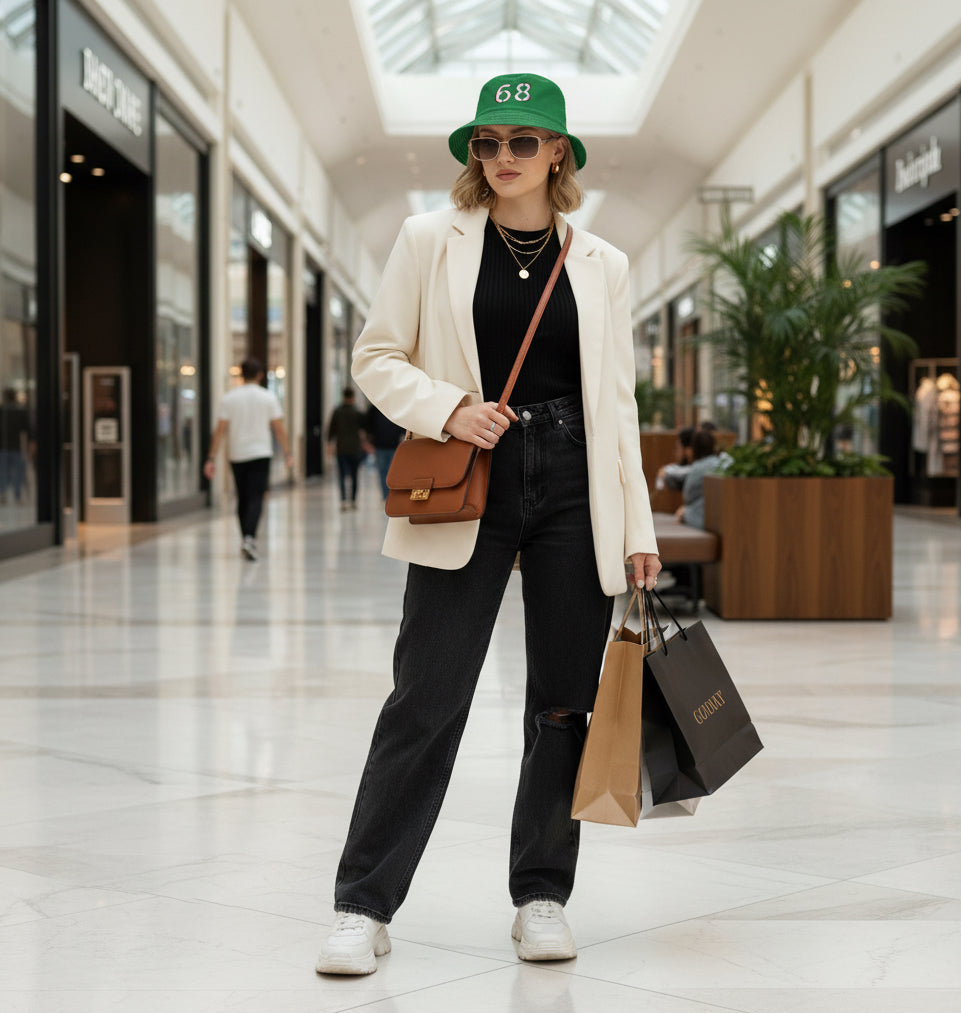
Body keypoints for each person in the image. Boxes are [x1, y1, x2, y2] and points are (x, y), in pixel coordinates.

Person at [316, 72, 661, 977]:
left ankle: (542, 893)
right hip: (470, 476)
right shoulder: (429, 239)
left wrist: (640, 525)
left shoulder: (603, 264)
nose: (502, 158)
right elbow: (376, 356)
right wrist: (447, 406)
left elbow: (616, 404)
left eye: (522, 141)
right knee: (425, 694)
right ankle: (362, 904)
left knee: (562, 703)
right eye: (487, 142)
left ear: (559, 152)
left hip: (574, 483)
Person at [203, 357, 292, 560]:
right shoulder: (268, 397)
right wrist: (288, 453)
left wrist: (211, 457)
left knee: (243, 496)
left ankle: (246, 537)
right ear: (260, 375)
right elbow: (279, 430)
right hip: (261, 454)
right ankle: (249, 538)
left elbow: (219, 431)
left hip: (238, 454)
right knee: (257, 496)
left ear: (241, 374)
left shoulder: (229, 398)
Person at [659, 427, 724, 529]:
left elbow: (688, 495)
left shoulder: (698, 468)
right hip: (723, 516)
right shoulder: (721, 461)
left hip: (703, 518)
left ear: (692, 449)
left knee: (681, 513)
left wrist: (686, 512)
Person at [326, 388, 368, 510]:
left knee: (342, 475)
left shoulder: (337, 411)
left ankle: (344, 501)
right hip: (355, 448)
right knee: (354, 475)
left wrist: (329, 444)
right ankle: (353, 501)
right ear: (353, 397)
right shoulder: (357, 412)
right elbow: (365, 427)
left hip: (341, 448)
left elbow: (331, 429)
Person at [0, 388, 33, 504]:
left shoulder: (0, 411)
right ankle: (17, 495)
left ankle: (3, 494)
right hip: (15, 447)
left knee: (4, 472)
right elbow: (28, 430)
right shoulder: (18, 411)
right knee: (17, 472)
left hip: (3, 447)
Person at [364, 403, 404, 500]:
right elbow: (368, 424)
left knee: (391, 472)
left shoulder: (395, 406)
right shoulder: (375, 407)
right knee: (383, 471)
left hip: (393, 444)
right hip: (381, 445)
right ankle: (386, 495)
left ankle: (391, 494)